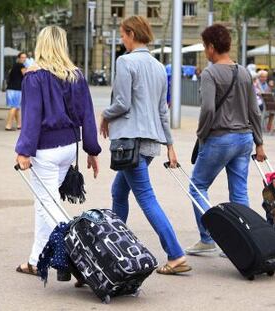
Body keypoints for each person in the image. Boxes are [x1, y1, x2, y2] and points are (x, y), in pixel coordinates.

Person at [100, 15, 191, 275]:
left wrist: (104, 115)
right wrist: (170, 145)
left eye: (123, 34)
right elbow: (163, 111)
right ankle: (116, 246)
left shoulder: (125, 61)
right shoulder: (158, 66)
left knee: (146, 198)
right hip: (149, 145)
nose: (122, 39)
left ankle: (175, 255)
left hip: (130, 143)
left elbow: (122, 103)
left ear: (131, 33)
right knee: (119, 192)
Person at [15, 25, 101, 276]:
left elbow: (31, 117)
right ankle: (35, 260)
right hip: (69, 148)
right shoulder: (75, 75)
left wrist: (24, 150)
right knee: (44, 204)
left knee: (48, 206)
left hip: (45, 150)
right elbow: (88, 114)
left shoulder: (34, 77)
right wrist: (91, 149)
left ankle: (80, 259)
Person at [185, 24, 265, 255]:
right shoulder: (243, 72)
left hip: (220, 138)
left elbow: (208, 109)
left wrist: (201, 134)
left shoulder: (210, 73)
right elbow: (254, 111)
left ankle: (207, 237)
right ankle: (246, 239)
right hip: (244, 140)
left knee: (197, 186)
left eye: (204, 47)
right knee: (239, 191)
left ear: (211, 47)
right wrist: (259, 142)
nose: (204, 51)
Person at [5, 52, 27, 131]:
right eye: (22, 57)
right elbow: (26, 75)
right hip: (16, 89)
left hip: (10, 89)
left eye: (25, 57)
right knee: (14, 107)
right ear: (18, 58)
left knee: (16, 107)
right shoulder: (21, 66)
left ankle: (19, 125)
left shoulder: (13, 66)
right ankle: (8, 125)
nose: (24, 59)